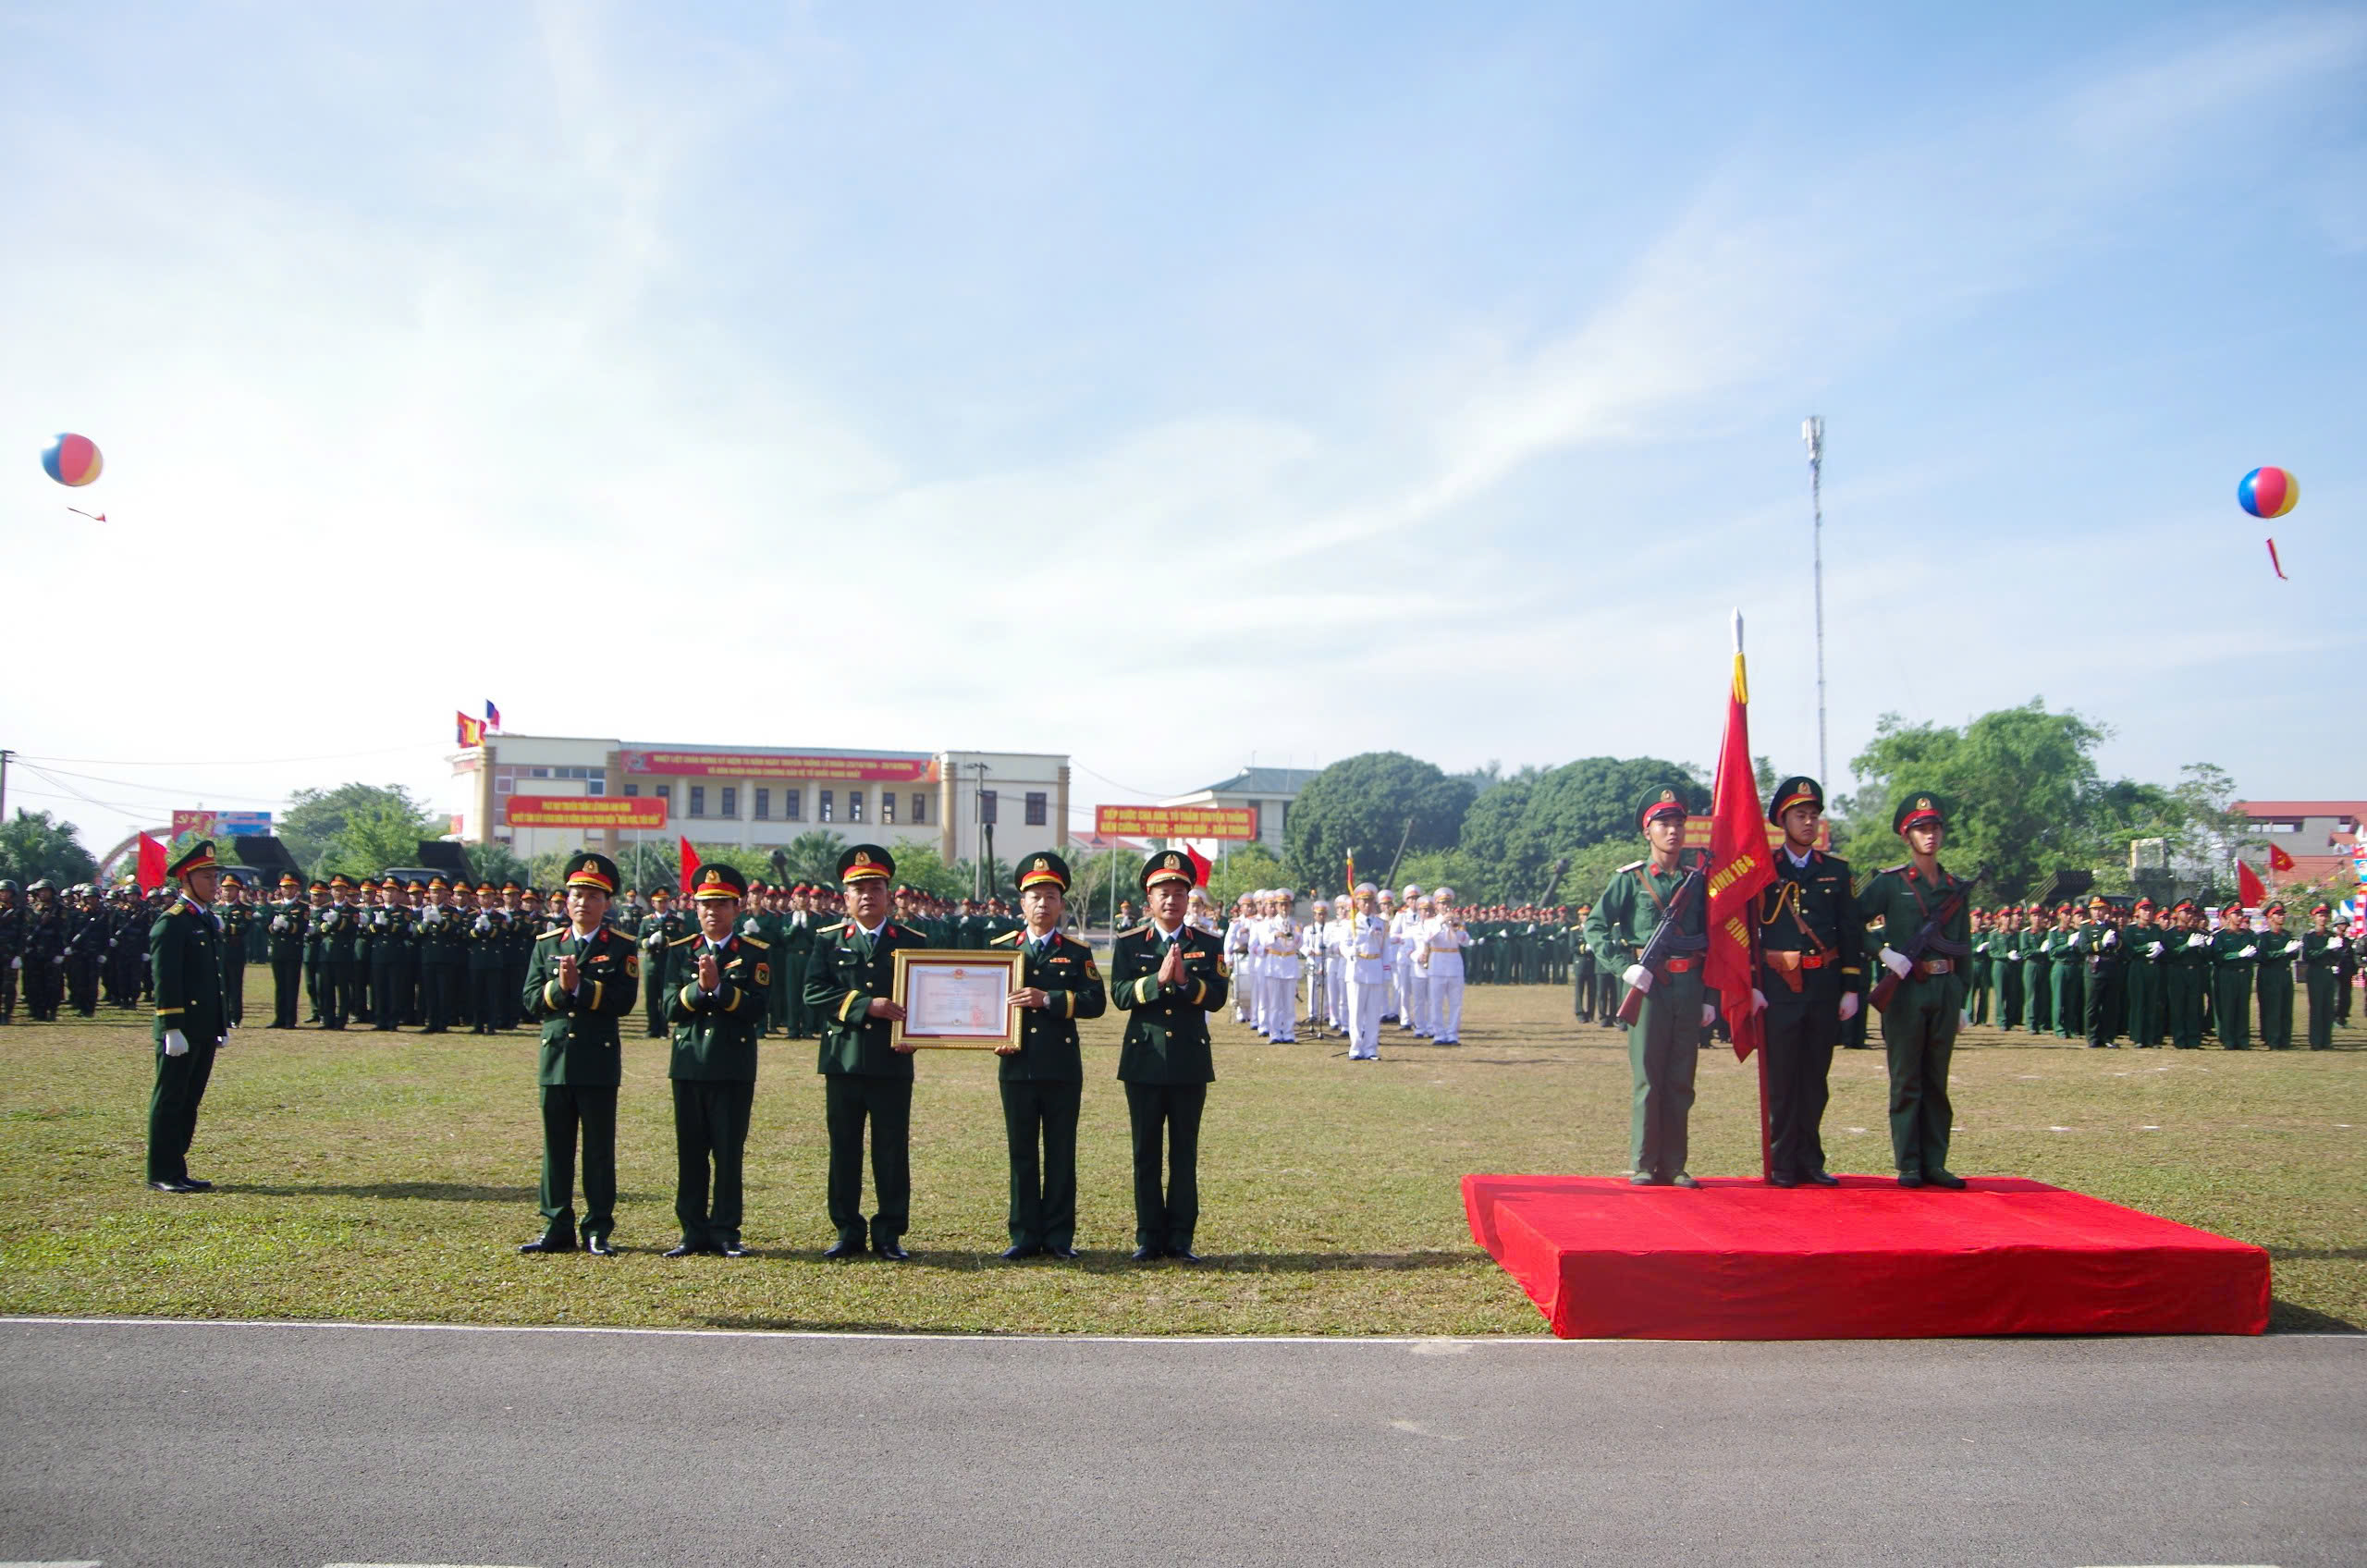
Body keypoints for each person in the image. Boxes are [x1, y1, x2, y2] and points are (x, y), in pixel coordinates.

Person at [1583, 787, 1711, 1188]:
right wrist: (1625, 967)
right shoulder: (1629, 880)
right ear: (1648, 831)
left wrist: (1711, 995)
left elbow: (1714, 941)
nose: (1672, 831)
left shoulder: (1697, 881)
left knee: (1681, 1078)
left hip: (1689, 985)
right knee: (1648, 1079)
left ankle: (1674, 1164)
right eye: (1663, 824)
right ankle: (1643, 1162)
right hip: (1649, 985)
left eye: (1678, 823)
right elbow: (1596, 926)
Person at [803, 844, 926, 1261]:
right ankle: (847, 1230)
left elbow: (929, 995)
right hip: (844, 1060)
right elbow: (813, 991)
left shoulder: (912, 940)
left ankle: (889, 1232)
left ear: (889, 893)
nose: (868, 894)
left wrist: (923, 1032)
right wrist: (864, 1005)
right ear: (845, 897)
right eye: (859, 888)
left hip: (893, 1058)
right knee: (844, 1147)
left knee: (892, 1149)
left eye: (876, 887)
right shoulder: (828, 940)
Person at [517, 851, 641, 1256]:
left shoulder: (621, 946)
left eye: (593, 895)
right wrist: (559, 989)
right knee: (556, 1147)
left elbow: (623, 1000)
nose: (583, 901)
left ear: (606, 903)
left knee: (599, 1150)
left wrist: (580, 988)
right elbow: (532, 999)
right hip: (555, 1060)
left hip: (598, 1060)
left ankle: (597, 1228)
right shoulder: (547, 945)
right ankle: (556, 1225)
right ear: (565, 900)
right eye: (576, 894)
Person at [1111, 849, 1231, 1261]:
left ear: (1189, 899)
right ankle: (1148, 1236)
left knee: (1184, 1152)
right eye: (1163, 892)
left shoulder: (1208, 942)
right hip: (1143, 1061)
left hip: (1187, 1062)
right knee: (1145, 1153)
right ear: (1149, 900)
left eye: (1180, 892)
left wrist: (1184, 984)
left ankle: (1181, 1238)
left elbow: (1216, 997)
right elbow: (1120, 995)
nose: (1171, 900)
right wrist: (1156, 981)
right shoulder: (1130, 943)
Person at [988, 851, 1108, 1260]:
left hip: (1060, 1065)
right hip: (1016, 1062)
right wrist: (992, 1036)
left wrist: (1049, 999)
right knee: (1021, 1151)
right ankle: (1023, 1234)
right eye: (1035, 896)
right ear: (1021, 903)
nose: (1043, 903)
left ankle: (1058, 1236)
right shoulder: (1001, 949)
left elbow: (1095, 1002)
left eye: (1051, 896)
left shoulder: (1076, 951)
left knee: (1060, 1151)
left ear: (1062, 904)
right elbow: (984, 1005)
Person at [1857, 792, 1974, 1190]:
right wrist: (1882, 951)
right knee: (1906, 1079)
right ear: (1906, 836)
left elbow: (1964, 947)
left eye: (1935, 828)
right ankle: (1908, 1163)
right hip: (1905, 992)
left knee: (1936, 1080)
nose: (1930, 835)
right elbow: (1850, 922)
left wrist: (1963, 999)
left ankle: (1935, 1162)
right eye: (1921, 829)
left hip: (1944, 989)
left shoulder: (1955, 887)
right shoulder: (1889, 884)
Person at [1749, 777, 1860, 1187]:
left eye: (1814, 815)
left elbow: (1850, 931)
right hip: (1779, 988)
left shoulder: (1836, 871)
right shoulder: (1763, 870)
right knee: (1782, 1079)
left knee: (1815, 1078)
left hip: (1823, 986)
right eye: (1801, 815)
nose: (1809, 822)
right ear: (1783, 820)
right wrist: (1751, 982)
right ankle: (1782, 1163)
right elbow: (1746, 927)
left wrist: (1851, 987)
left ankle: (1811, 1161)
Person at [664, 863, 768, 1257]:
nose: (712, 911)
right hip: (689, 1064)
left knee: (728, 1151)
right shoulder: (680, 952)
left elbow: (757, 1009)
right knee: (690, 1150)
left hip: (732, 1065)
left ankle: (725, 1229)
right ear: (695, 908)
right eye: (705, 903)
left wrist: (720, 990)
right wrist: (699, 989)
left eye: (721, 904)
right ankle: (691, 1230)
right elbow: (668, 1007)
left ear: (736, 908)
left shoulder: (754, 954)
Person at [146, 841, 231, 1194]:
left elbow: (215, 978)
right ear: (186, 879)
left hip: (203, 1027)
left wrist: (220, 1023)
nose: (215, 883)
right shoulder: (173, 923)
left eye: (215, 876)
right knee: (170, 1098)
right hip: (181, 1028)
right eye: (207, 877)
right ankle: (161, 1170)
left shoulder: (205, 920)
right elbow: (166, 981)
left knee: (189, 1100)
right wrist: (172, 1027)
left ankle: (177, 1167)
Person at [1423, 888, 1472, 1044]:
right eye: (1442, 903)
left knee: (1455, 1002)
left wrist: (1455, 927)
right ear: (1436, 906)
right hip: (1437, 964)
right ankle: (1438, 1033)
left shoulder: (1458, 922)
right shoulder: (1430, 922)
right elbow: (1428, 938)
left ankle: (1452, 1033)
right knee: (1436, 1002)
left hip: (1454, 965)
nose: (1445, 906)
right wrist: (1441, 923)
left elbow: (1466, 942)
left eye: (1448, 903)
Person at [1344, 882, 1387, 1061]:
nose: (1368, 905)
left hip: (1375, 967)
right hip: (1358, 968)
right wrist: (1350, 953)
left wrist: (1386, 971)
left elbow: (1386, 949)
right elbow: (1343, 945)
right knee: (1355, 1013)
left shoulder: (1381, 924)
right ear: (1358, 903)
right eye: (1364, 901)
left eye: (1370, 901)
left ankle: (1370, 1048)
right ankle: (1355, 1048)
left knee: (1373, 1013)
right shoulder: (1351, 923)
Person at [2210, 900, 2260, 1049]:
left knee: (2243, 1007)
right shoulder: (2221, 936)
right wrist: (2238, 954)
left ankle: (2243, 1039)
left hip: (2244, 974)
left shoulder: (2249, 935)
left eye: (2240, 914)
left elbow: (2257, 954)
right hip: (2227, 974)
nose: (2239, 917)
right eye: (2235, 914)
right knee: (2228, 1007)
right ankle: (2229, 1039)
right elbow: (2219, 957)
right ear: (2227, 916)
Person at [2254, 901, 2299, 1050]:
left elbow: (2294, 955)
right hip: (2269, 974)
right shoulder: (2264, 937)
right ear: (2269, 917)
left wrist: (2293, 949)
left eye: (2282, 914)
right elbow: (2262, 956)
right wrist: (2283, 952)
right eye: (2277, 914)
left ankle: (2285, 1040)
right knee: (2272, 1008)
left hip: (2285, 973)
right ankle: (2272, 1040)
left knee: (2286, 1008)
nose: (2281, 917)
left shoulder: (2288, 935)